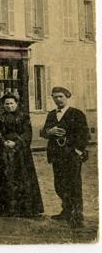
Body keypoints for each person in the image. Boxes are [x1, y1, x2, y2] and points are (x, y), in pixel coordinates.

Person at [0, 93, 43, 217]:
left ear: (16, 104)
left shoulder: (23, 117)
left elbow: (27, 133)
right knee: (3, 178)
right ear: (3, 105)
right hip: (2, 152)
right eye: (7, 104)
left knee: (21, 177)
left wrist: (16, 143)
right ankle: (3, 207)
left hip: (20, 153)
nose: (9, 106)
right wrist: (2, 142)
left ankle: (23, 208)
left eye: (12, 103)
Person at [39, 86, 89, 229]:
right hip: (57, 155)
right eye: (55, 97)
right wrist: (50, 131)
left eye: (60, 96)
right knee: (59, 185)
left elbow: (84, 134)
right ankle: (66, 210)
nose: (58, 99)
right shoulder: (51, 115)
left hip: (71, 156)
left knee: (74, 185)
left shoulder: (77, 114)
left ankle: (77, 215)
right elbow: (43, 132)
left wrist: (77, 151)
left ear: (67, 97)